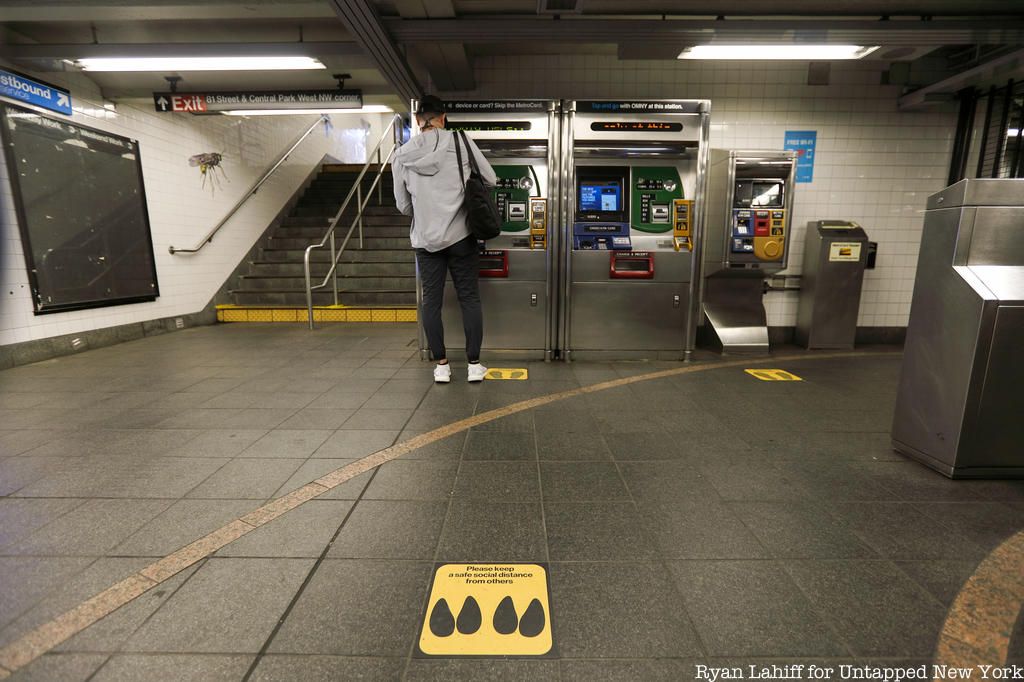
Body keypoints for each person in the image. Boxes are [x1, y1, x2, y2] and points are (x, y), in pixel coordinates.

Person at [393, 95, 497, 384]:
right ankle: (474, 365)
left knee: (431, 302)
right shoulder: (461, 141)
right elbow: (490, 178)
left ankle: (441, 366)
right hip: (461, 236)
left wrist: (426, 209)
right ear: (443, 118)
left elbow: (403, 205)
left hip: (425, 241)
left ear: (417, 120)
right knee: (469, 299)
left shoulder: (401, 156)